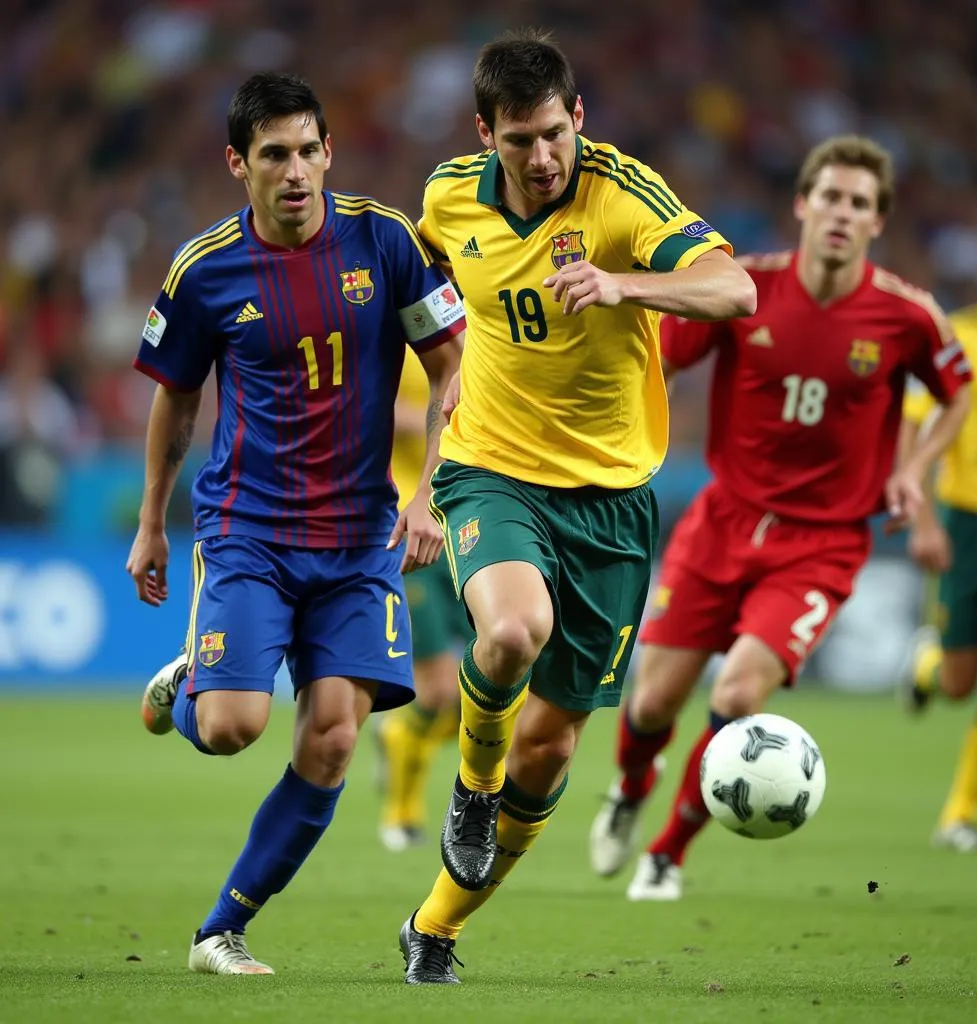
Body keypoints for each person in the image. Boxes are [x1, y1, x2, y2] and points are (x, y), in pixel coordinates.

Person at [396, 28, 756, 984]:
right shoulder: (444, 197)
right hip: (492, 470)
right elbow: (411, 274)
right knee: (511, 633)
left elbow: (735, 287)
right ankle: (469, 789)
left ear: (578, 118)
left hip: (611, 503)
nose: (542, 157)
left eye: (555, 133)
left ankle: (435, 926)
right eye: (519, 141)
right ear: (486, 136)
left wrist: (623, 283)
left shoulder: (621, 195)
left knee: (550, 751)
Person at [126, 71, 464, 974]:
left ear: (327, 153)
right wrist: (152, 523)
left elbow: (451, 367)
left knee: (334, 733)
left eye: (310, 150)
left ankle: (219, 931)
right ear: (238, 163)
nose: (296, 171)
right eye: (274, 154)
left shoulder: (384, 241)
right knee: (235, 726)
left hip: (360, 540)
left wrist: (430, 492)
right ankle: (191, 688)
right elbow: (176, 400)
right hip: (250, 530)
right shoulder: (204, 270)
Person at [589, 134, 973, 901]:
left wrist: (912, 470)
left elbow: (955, 392)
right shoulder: (746, 289)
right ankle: (632, 788)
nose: (842, 213)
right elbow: (662, 358)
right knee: (652, 702)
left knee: (735, 700)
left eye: (859, 204)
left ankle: (667, 851)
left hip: (821, 544)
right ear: (803, 204)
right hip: (722, 520)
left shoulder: (908, 316)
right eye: (829, 196)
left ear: (877, 222)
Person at [899, 223, 977, 851]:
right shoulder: (962, 337)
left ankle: (959, 817)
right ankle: (928, 663)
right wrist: (920, 512)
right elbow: (916, 425)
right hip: (967, 525)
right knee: (956, 683)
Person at [376, 357, 471, 852]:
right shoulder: (404, 324)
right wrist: (434, 413)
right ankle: (401, 809)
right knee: (435, 690)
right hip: (410, 527)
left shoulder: (485, 313)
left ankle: (400, 734)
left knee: (492, 693)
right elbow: (360, 405)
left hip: (475, 525)